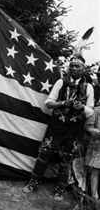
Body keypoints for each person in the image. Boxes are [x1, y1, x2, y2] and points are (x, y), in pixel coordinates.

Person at [23, 55, 94, 201]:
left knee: (66, 158)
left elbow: (91, 110)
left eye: (77, 66)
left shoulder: (89, 87)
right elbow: (48, 103)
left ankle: (60, 188)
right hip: (57, 125)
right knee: (45, 154)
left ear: (83, 69)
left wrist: (83, 107)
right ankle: (33, 182)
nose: (74, 69)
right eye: (72, 66)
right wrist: (62, 104)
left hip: (74, 129)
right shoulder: (61, 82)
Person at [84, 106, 100, 200]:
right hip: (97, 145)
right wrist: (97, 132)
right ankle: (94, 196)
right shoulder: (97, 111)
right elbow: (88, 127)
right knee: (95, 170)